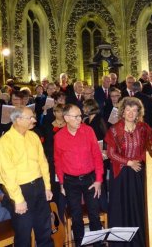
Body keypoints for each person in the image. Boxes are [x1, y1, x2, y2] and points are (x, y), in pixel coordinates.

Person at [105, 97, 152, 246]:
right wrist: (129, 162)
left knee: (137, 207)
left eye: (134, 110)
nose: (130, 113)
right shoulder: (114, 129)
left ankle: (138, 241)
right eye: (128, 110)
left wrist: (142, 157)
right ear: (122, 111)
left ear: (138, 113)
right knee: (120, 208)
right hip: (120, 174)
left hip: (138, 172)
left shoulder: (143, 127)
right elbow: (111, 153)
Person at [0, 106, 53, 246]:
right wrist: (18, 199)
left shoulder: (33, 136)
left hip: (39, 187)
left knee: (45, 231)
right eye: (30, 117)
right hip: (20, 191)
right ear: (18, 120)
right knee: (23, 233)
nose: (33, 120)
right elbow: (7, 174)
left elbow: (43, 162)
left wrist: (47, 187)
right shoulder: (4, 142)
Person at [54, 104, 104, 247]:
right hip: (70, 182)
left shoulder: (88, 131)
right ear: (66, 118)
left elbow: (97, 156)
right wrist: (62, 183)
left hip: (90, 179)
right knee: (76, 217)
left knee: (94, 215)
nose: (80, 119)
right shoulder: (59, 136)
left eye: (80, 116)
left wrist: (99, 180)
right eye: (76, 116)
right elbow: (58, 162)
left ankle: (98, 245)